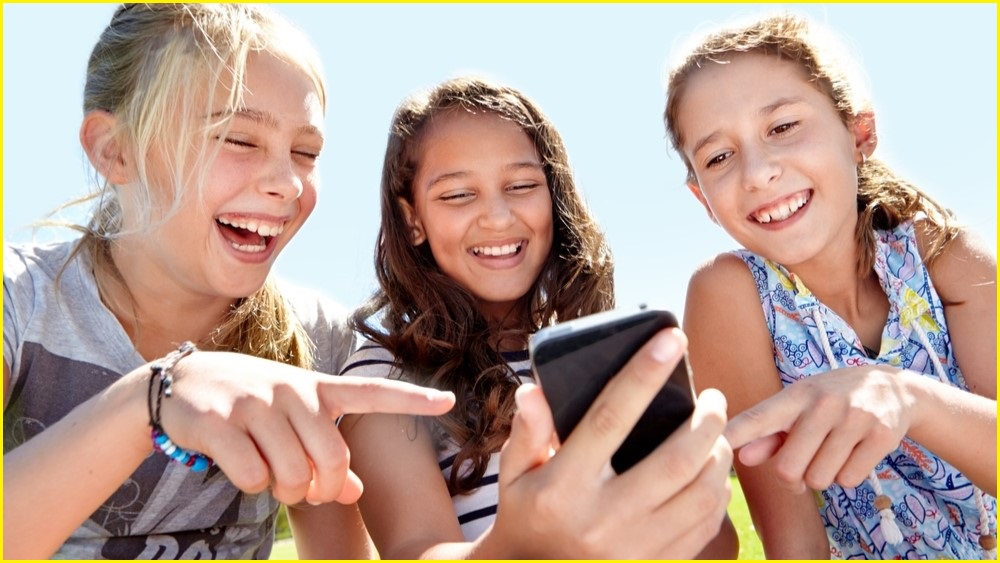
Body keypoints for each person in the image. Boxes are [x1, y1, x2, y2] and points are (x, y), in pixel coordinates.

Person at [2, 4, 456, 559]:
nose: (287, 183)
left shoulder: (324, 344)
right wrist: (153, 398)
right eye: (239, 140)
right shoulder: (17, 300)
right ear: (114, 150)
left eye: (306, 153)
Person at [289, 76, 738, 559]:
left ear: (555, 197)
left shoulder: (606, 359)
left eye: (522, 185)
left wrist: (687, 478)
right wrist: (521, 544)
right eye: (458, 195)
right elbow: (415, 548)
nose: (499, 217)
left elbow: (718, 544)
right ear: (413, 218)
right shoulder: (387, 378)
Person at [662, 12, 997, 559]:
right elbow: (795, 547)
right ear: (703, 198)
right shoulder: (730, 294)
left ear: (859, 133)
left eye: (783, 127)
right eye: (718, 157)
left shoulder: (939, 252)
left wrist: (906, 396)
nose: (756, 172)